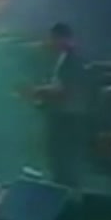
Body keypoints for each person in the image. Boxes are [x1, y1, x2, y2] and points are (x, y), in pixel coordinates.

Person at [29, 22, 90, 191]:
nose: (50, 43)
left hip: (67, 117)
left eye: (53, 39)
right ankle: (63, 189)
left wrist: (38, 91)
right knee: (60, 158)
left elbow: (65, 89)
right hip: (65, 115)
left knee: (63, 158)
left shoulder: (73, 60)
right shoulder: (65, 58)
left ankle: (66, 191)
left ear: (61, 38)